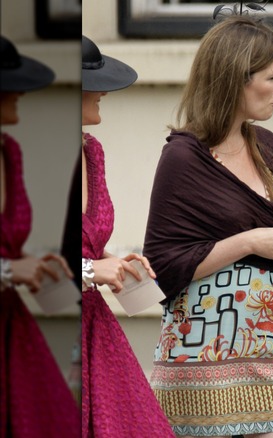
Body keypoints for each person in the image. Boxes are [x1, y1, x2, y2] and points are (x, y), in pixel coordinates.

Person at [143, 15, 273, 438]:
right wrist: (249, 242)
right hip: (202, 354)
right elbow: (163, 261)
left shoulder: (268, 146)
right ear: (235, 80)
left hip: (272, 342)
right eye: (272, 78)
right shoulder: (183, 159)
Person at [79, 35, 176, 437]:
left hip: (90, 324)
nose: (102, 91)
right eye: (90, 82)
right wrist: (88, 270)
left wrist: (115, 264)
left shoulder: (91, 152)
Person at [0, 35, 80, 437]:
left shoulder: (8, 151)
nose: (20, 93)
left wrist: (33, 263)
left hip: (10, 326)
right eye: (7, 84)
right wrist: (8, 270)